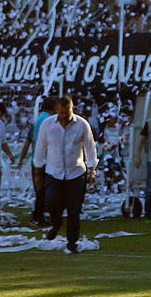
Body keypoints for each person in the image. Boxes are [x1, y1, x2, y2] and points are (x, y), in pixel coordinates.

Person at [33, 94, 98, 253]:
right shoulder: (47, 125)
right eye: (61, 112)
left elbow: (90, 147)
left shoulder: (82, 124)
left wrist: (92, 169)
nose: (63, 116)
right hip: (53, 171)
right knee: (51, 202)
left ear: (72, 109)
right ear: (57, 110)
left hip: (76, 172)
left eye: (66, 112)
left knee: (74, 209)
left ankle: (72, 242)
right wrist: (38, 171)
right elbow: (40, 147)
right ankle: (57, 223)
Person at [18, 96, 57, 227]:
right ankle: (37, 217)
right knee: (43, 190)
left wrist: (22, 158)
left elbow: (28, 142)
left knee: (41, 190)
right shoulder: (48, 120)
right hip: (44, 160)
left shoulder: (38, 120)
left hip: (38, 159)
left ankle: (40, 216)